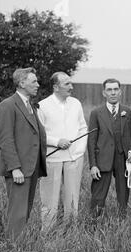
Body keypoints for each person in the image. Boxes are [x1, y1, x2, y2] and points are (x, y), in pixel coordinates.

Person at [0, 67, 47, 240]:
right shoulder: (8, 105)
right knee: (17, 213)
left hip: (31, 169)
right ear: (22, 83)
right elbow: (6, 140)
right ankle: (13, 249)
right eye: (34, 81)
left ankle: (21, 246)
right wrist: (15, 168)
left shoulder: (30, 105)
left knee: (25, 212)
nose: (38, 85)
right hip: (19, 170)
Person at [37, 72, 88, 232]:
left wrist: (78, 151)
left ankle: (70, 230)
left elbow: (83, 128)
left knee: (72, 197)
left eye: (70, 83)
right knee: (49, 198)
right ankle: (47, 231)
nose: (71, 87)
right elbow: (39, 133)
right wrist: (56, 141)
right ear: (55, 87)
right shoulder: (42, 105)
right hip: (52, 159)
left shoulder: (76, 103)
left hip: (74, 159)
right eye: (67, 84)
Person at [87, 78, 131, 219]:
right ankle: (94, 224)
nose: (113, 93)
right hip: (102, 160)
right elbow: (91, 142)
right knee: (98, 195)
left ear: (120, 92)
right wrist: (93, 165)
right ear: (104, 93)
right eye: (109, 90)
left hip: (123, 161)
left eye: (116, 89)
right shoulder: (96, 113)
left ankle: (121, 222)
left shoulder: (129, 112)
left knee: (123, 195)